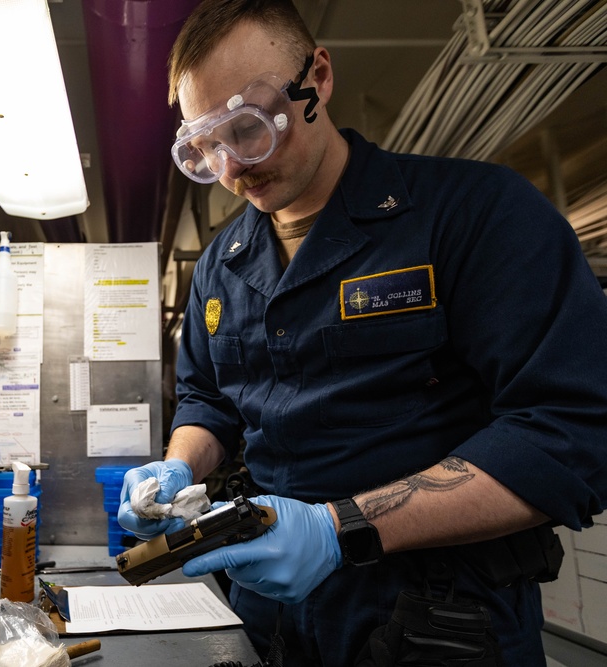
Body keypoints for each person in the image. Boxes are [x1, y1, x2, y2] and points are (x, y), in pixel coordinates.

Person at [117, 1, 607, 665]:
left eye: (249, 126)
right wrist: (178, 463)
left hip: (440, 621)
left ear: (317, 77)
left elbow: (570, 434)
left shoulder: (475, 215)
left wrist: (336, 528)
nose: (233, 168)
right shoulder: (220, 265)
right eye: (207, 147)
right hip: (269, 619)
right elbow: (210, 400)